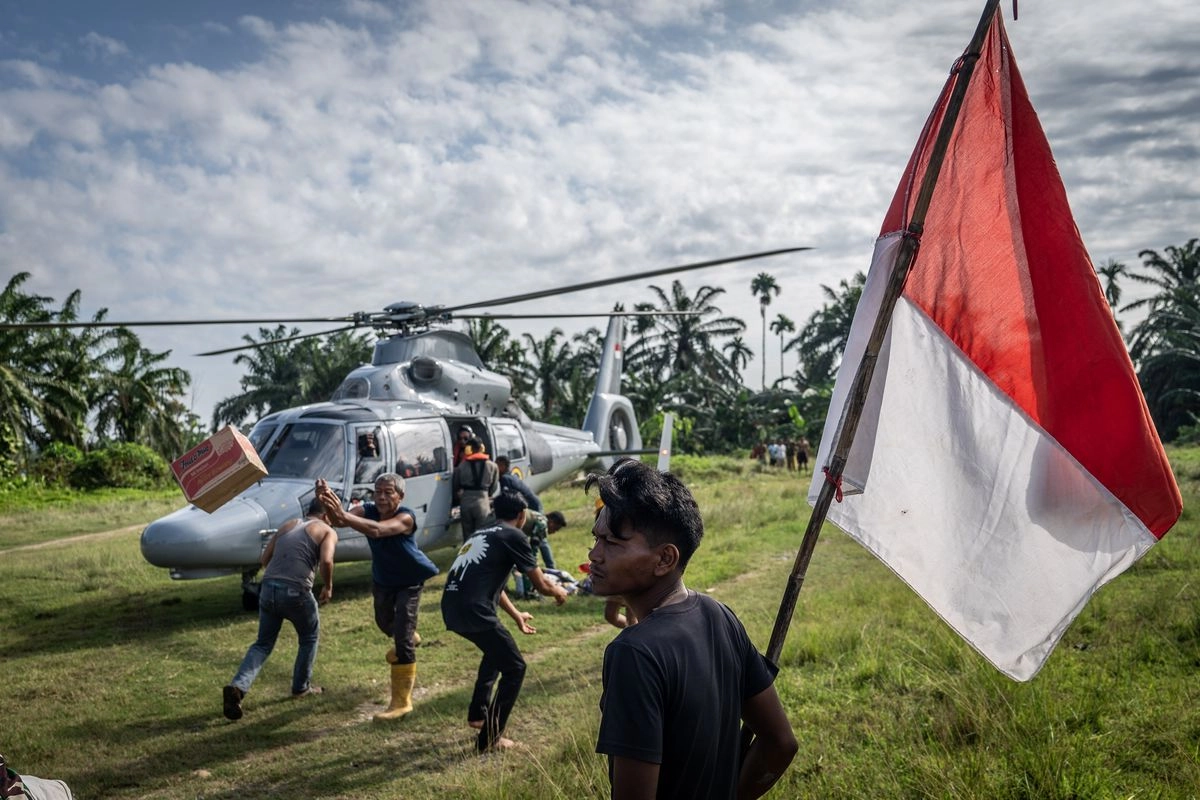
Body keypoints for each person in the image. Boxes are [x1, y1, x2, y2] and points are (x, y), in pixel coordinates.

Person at [585, 459, 797, 799]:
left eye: (612, 542)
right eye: (596, 538)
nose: (594, 555)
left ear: (665, 559)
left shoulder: (634, 653)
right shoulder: (720, 615)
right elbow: (781, 744)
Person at [441, 491, 569, 753]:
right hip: (475, 610)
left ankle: (478, 715)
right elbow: (541, 585)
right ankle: (490, 738)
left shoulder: (482, 533)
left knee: (495, 654)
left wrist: (516, 614)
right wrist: (559, 591)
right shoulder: (514, 535)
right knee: (515, 668)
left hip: (452, 607)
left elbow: (493, 583)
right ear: (522, 515)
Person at [317, 473, 439, 721]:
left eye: (388, 492)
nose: (381, 497)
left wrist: (343, 515)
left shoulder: (406, 517)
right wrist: (326, 500)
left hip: (409, 580)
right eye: (378, 492)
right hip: (383, 580)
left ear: (400, 496)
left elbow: (377, 530)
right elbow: (338, 520)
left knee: (402, 641)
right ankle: (407, 636)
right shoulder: (368, 510)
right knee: (384, 622)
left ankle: (401, 702)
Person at [223, 498, 337, 721]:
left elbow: (264, 558)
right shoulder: (327, 531)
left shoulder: (289, 524)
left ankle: (238, 687)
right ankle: (301, 688)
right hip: (296, 593)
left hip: (268, 589)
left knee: (263, 644)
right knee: (309, 638)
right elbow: (326, 561)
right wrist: (328, 586)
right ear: (326, 516)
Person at [453, 436, 498, 541]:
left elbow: (456, 485)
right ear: (482, 447)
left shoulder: (462, 466)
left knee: (467, 536)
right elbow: (494, 487)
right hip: (483, 502)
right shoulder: (492, 466)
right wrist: (487, 494)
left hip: (465, 502)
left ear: (469, 449)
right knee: (482, 535)